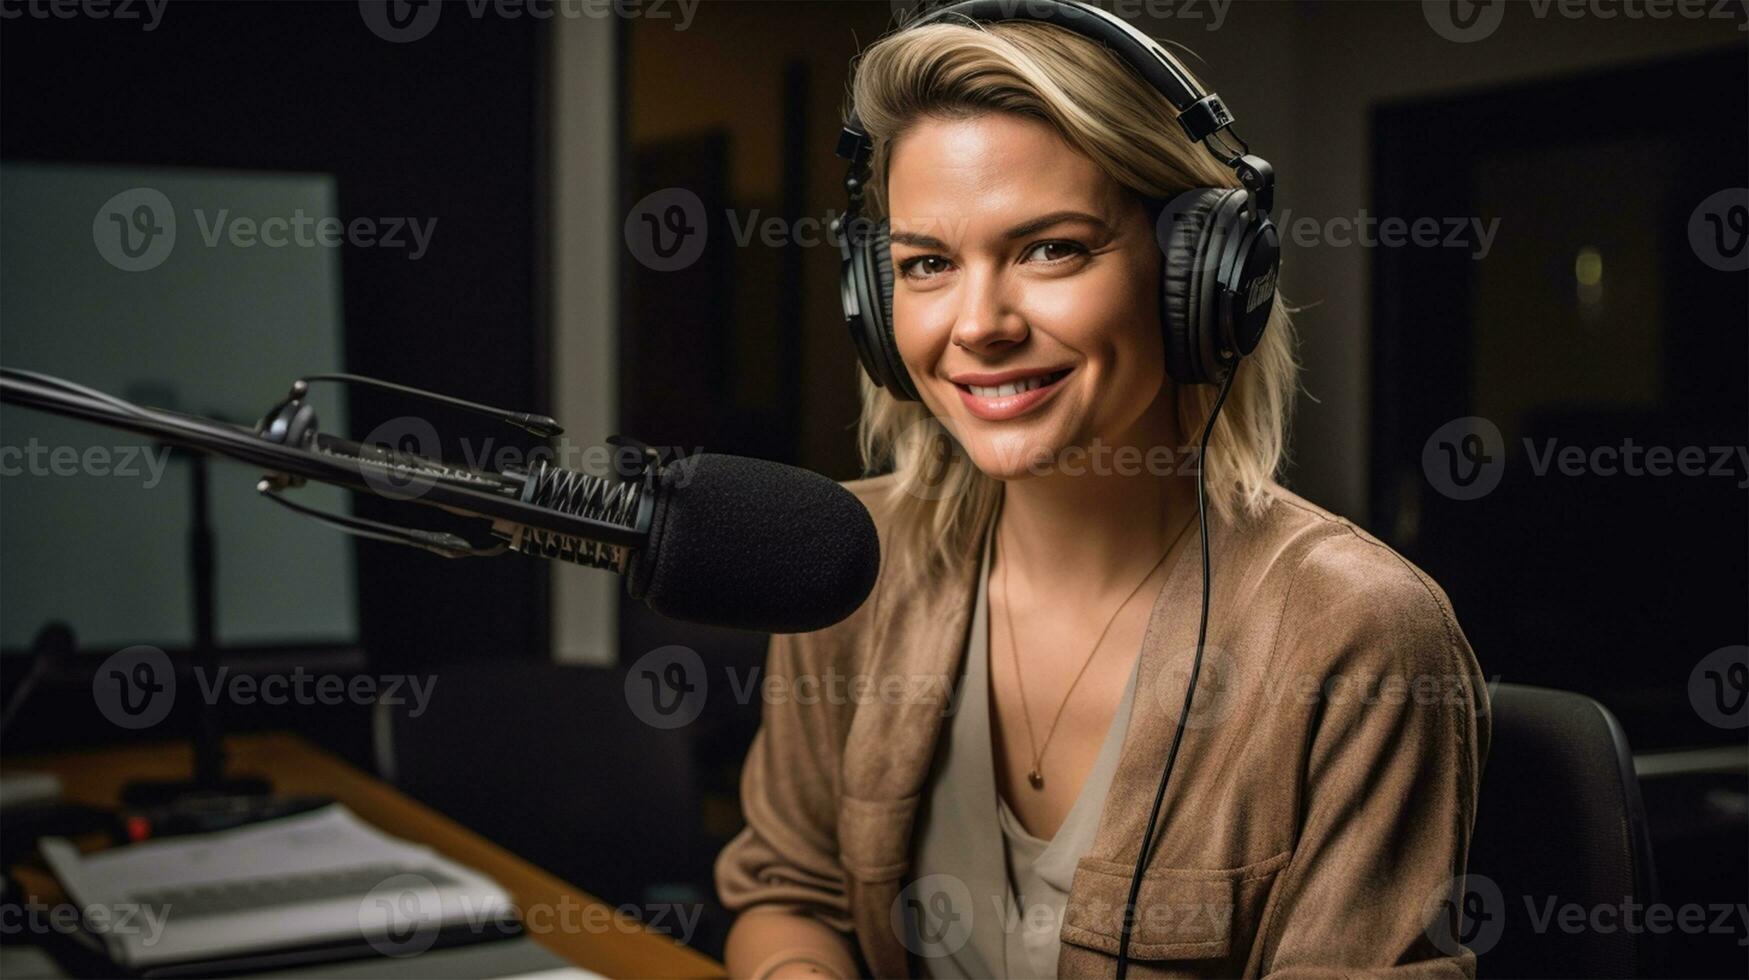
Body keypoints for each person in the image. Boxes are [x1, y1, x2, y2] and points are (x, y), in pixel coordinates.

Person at [717, 9, 1490, 978]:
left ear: (1199, 274)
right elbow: (788, 890)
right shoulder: (841, 559)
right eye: (927, 263)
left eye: (1050, 248)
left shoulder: (1357, 636)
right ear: (875, 303)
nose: (979, 324)